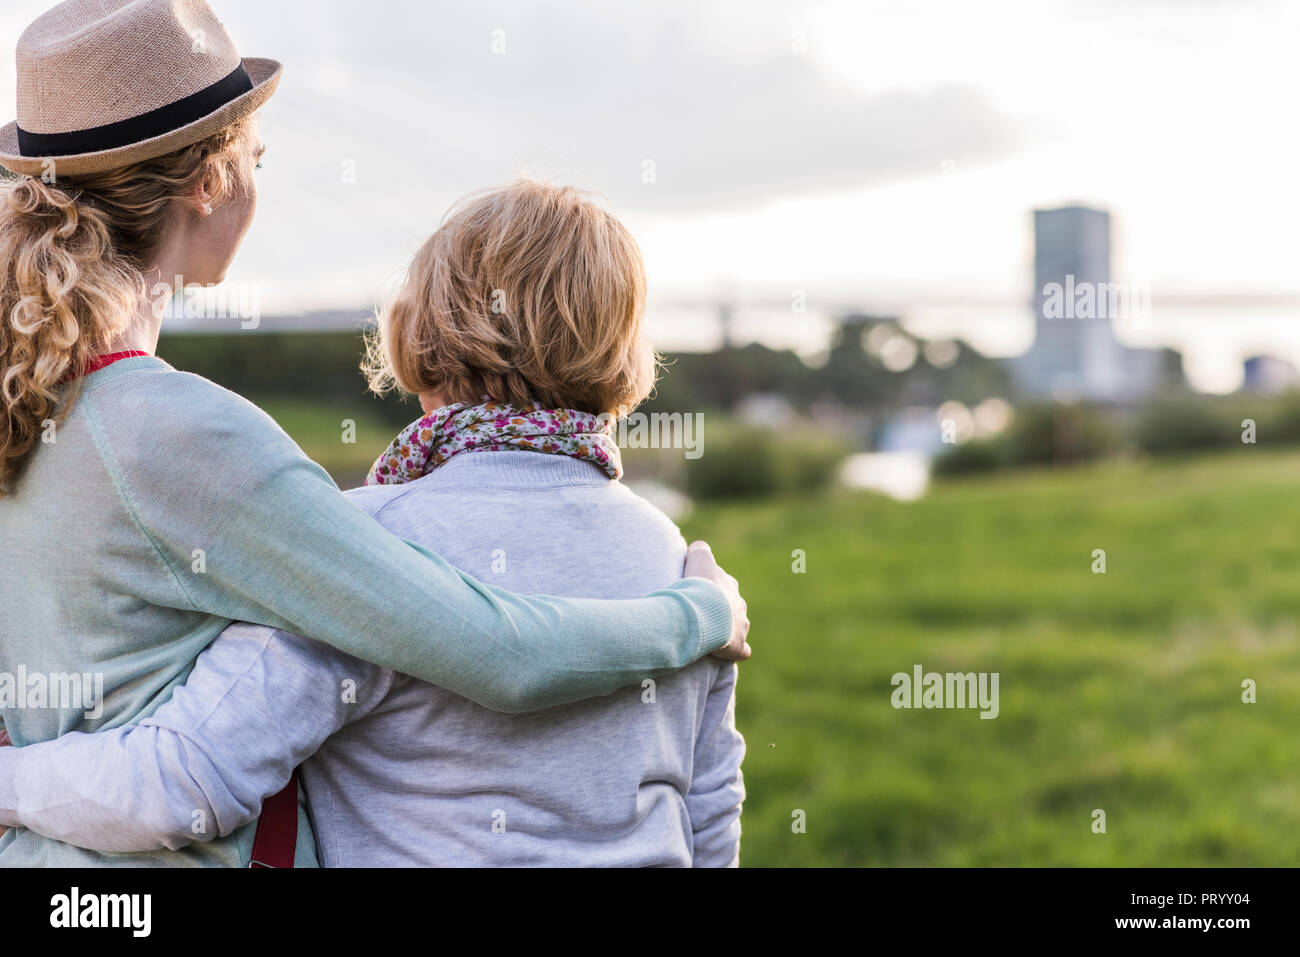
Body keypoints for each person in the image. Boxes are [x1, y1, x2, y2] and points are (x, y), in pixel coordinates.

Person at [0, 0, 748, 866]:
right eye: (258, 157)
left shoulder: (31, 406)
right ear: (209, 182)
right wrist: (697, 613)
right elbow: (497, 652)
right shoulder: (186, 436)